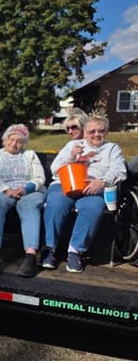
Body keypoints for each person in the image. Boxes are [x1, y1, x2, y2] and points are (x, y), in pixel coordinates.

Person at [41, 112, 127, 273]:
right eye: (91, 131)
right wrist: (71, 158)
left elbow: (119, 171)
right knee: (56, 202)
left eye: (100, 131)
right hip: (65, 184)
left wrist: (102, 181)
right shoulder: (73, 146)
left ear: (106, 132)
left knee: (94, 206)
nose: (96, 134)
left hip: (93, 187)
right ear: (85, 132)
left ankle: (75, 251)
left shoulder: (111, 148)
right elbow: (55, 169)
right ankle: (49, 249)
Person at [0, 124, 46, 277]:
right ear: (5, 140)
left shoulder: (30, 154)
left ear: (24, 143)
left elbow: (39, 177)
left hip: (28, 190)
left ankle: (30, 256)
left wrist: (25, 189)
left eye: (19, 141)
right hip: (3, 189)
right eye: (11, 139)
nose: (14, 143)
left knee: (30, 206)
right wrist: (6, 189)